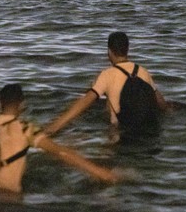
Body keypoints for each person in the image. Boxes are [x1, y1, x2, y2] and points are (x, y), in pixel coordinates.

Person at [0, 83, 119, 193]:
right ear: (22, 105)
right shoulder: (25, 129)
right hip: (10, 199)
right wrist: (102, 173)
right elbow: (60, 152)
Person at [44, 31, 172, 139]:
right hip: (150, 134)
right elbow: (161, 103)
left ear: (109, 51)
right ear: (127, 49)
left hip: (121, 135)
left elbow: (85, 102)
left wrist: (52, 128)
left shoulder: (107, 75)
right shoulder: (143, 71)